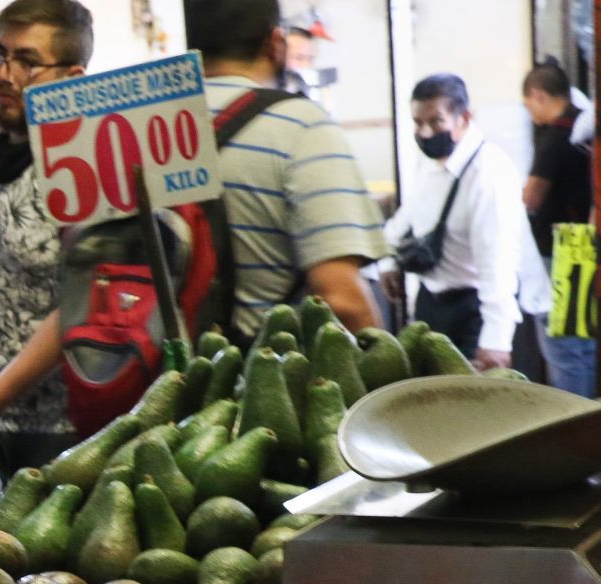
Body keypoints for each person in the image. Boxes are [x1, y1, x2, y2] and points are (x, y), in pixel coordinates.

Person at [0, 0, 94, 469]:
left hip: (64, 436)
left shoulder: (87, 170)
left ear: (72, 78)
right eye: (0, 56)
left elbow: (80, 302)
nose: (4, 74)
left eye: (26, 62)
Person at [186, 0, 388, 341]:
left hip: (155, 384)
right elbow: (343, 303)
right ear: (276, 44)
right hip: (258, 382)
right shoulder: (302, 127)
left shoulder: (147, 130)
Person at [383, 74, 530, 370]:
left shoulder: (488, 173)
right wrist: (388, 262)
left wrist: (496, 339)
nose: (425, 133)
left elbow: (497, 262)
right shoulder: (431, 166)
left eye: (436, 122)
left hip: (473, 311)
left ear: (465, 117)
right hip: (430, 305)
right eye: (418, 123)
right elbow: (403, 221)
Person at [522, 61, 595, 396]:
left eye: (528, 105)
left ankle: (572, 427)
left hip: (561, 251)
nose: (530, 114)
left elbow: (532, 196)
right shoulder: (583, 121)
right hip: (583, 242)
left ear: (538, 95)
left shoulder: (557, 134)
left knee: (563, 348)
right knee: (581, 345)